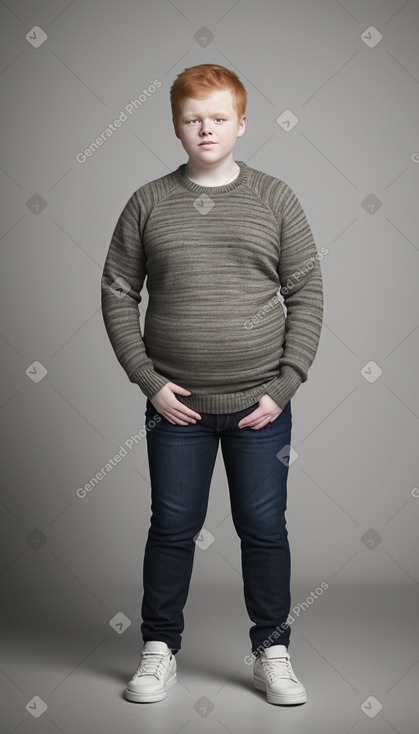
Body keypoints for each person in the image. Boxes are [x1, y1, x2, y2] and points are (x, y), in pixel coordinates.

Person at [101, 63, 324, 706]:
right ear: (176, 125)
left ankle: (272, 652)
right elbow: (118, 291)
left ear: (242, 124)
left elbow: (306, 292)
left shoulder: (276, 198)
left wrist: (284, 386)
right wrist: (148, 381)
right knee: (172, 526)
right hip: (176, 407)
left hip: (261, 405)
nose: (206, 128)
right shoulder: (147, 202)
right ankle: (158, 650)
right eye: (194, 118)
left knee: (264, 527)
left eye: (219, 117)